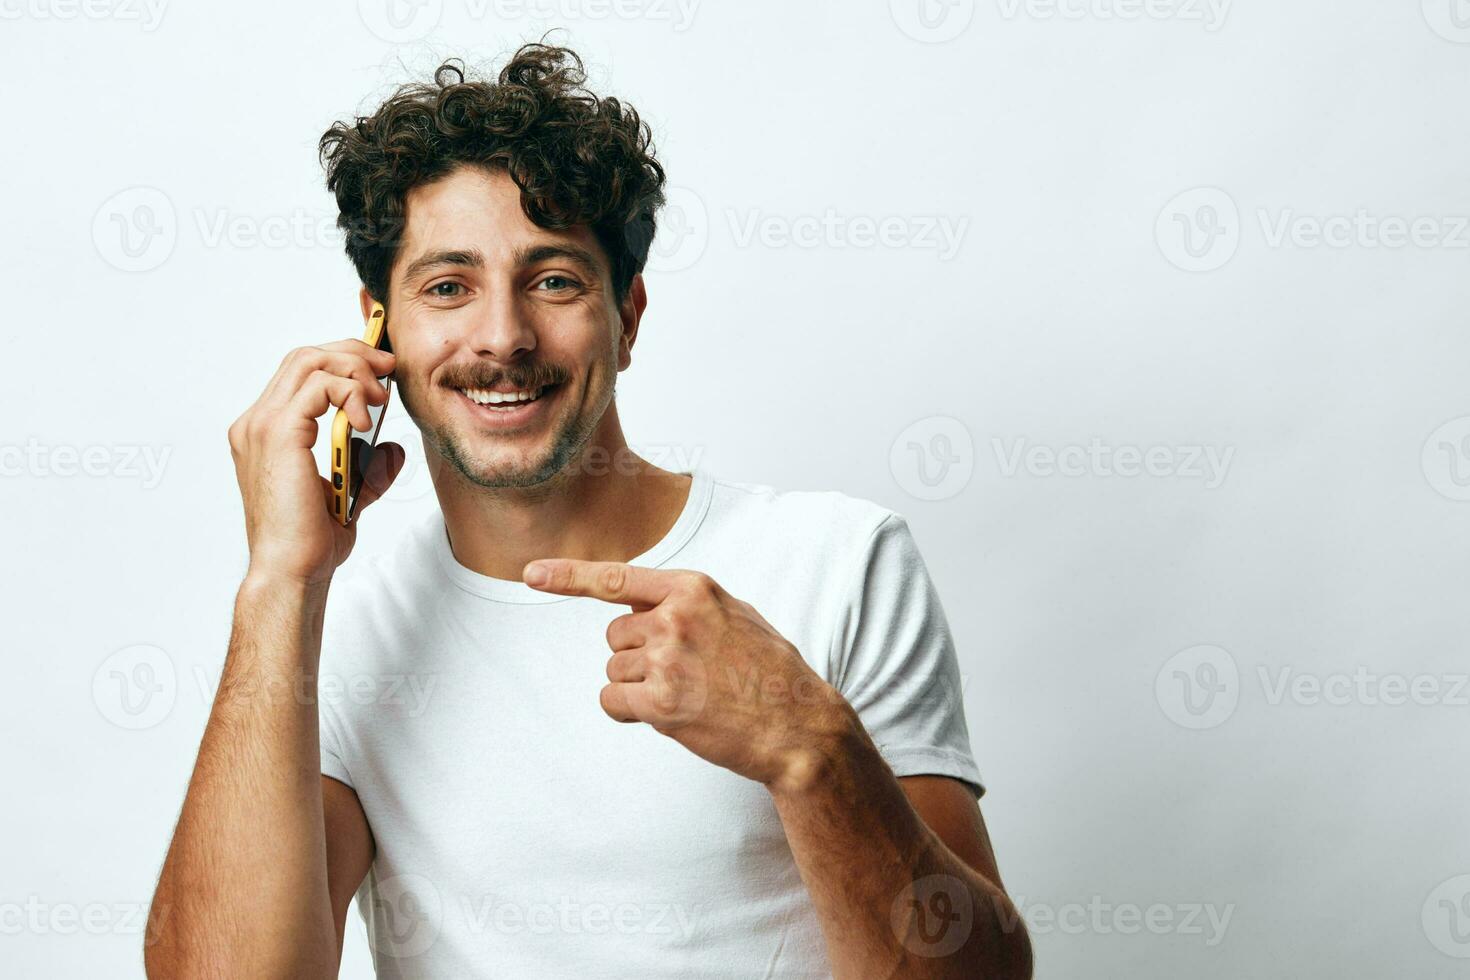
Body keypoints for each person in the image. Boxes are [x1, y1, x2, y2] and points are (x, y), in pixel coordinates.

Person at [145, 42, 1032, 979]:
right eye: (447, 287)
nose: (502, 336)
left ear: (629, 316)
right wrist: (278, 581)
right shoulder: (333, 632)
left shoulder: (840, 561)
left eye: (555, 279)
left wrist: (810, 750)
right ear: (380, 330)